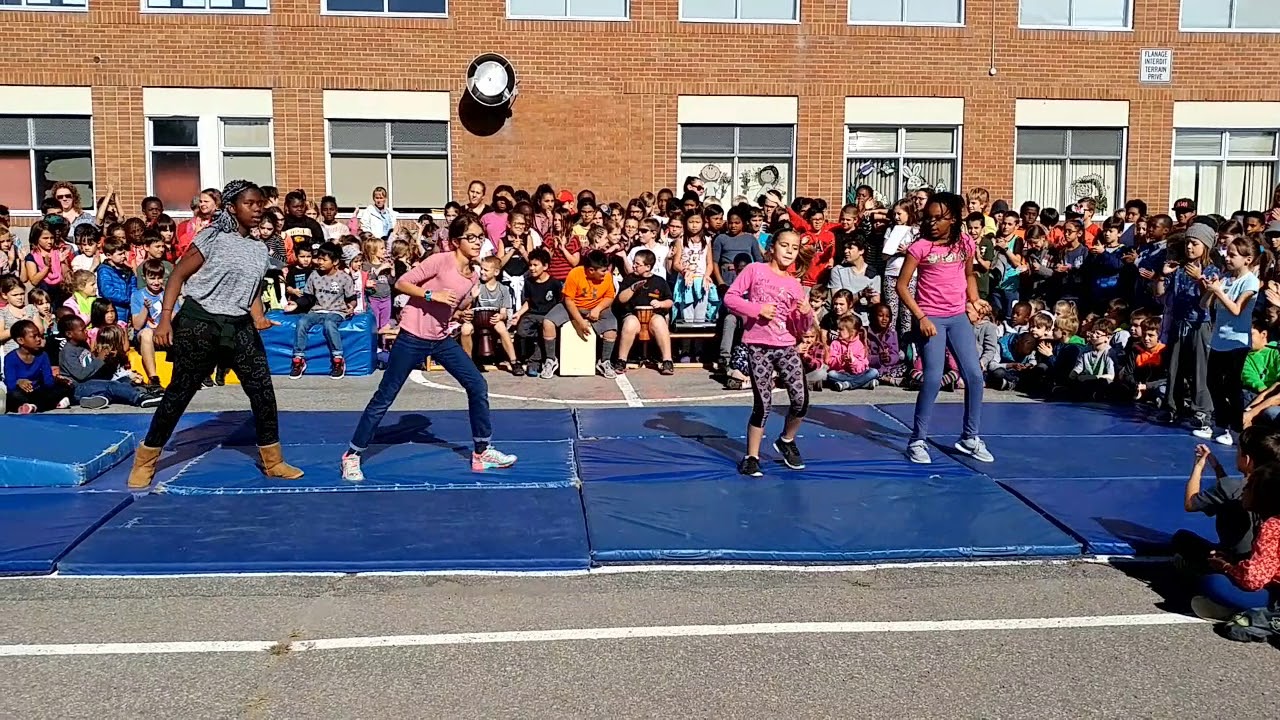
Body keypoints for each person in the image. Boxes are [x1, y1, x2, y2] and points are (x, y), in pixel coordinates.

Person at [125, 180, 303, 490]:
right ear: (232, 208)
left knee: (263, 391)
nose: (257, 209)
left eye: (260, 204)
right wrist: (165, 320)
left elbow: (251, 289)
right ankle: (146, 459)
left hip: (239, 325)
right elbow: (177, 275)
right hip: (200, 323)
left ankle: (273, 461)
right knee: (179, 393)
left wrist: (258, 317)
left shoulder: (259, 248)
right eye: (249, 203)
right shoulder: (213, 237)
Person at [342, 214, 517, 481]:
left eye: (480, 237)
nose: (477, 242)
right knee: (385, 396)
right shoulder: (440, 260)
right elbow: (402, 283)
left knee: (477, 384)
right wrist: (430, 294)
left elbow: (450, 306)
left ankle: (482, 452)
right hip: (412, 336)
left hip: (441, 338)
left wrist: (459, 312)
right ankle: (352, 455)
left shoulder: (473, 276)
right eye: (471, 237)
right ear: (456, 241)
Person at [896, 191, 993, 465]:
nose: (933, 223)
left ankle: (970, 437)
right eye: (929, 218)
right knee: (933, 377)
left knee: (974, 376)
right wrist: (921, 317)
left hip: (958, 317)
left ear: (953, 219)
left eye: (939, 218)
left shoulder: (964, 243)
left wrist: (974, 300)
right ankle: (917, 440)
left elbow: (969, 274)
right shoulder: (920, 247)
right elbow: (901, 286)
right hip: (932, 319)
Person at [722, 229, 814, 477]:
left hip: (786, 346)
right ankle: (751, 456)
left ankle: (786, 440)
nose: (789, 251)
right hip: (759, 345)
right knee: (763, 404)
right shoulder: (755, 270)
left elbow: (801, 327)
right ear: (772, 247)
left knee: (801, 400)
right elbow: (730, 298)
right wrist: (757, 309)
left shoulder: (794, 284)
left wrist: (806, 313)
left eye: (794, 248)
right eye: (785, 245)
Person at [1200, 235, 1261, 445]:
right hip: (1219, 340)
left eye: (1233, 255)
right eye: (1227, 254)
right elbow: (1204, 305)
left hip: (1237, 341)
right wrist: (1211, 290)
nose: (1227, 258)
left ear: (1247, 259)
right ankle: (1220, 423)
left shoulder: (1250, 281)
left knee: (1232, 386)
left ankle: (1235, 429)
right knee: (1213, 382)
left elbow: (1236, 309)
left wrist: (1219, 292)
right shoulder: (1225, 278)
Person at [540, 249, 618, 379]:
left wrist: (597, 309)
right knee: (548, 322)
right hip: (574, 306)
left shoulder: (608, 276)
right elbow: (569, 300)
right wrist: (580, 321)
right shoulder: (575, 274)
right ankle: (550, 360)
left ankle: (604, 361)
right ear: (591, 270)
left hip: (597, 306)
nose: (606, 273)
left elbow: (610, 297)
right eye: (603, 271)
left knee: (611, 328)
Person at [58, 315, 161, 409]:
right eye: (82, 330)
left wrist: (108, 358)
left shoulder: (82, 345)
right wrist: (100, 358)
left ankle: (96, 398)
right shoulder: (67, 352)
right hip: (78, 388)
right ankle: (140, 398)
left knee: (124, 381)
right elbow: (81, 375)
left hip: (91, 383)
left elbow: (92, 366)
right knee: (111, 385)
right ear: (69, 334)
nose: (86, 331)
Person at [290, 242, 357, 380]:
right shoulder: (314, 275)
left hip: (337, 311)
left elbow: (352, 298)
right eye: (319, 259)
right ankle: (298, 359)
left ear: (335, 261)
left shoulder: (345, 278)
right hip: (317, 310)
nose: (319, 262)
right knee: (302, 322)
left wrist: (351, 307)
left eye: (324, 259)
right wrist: (296, 304)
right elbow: (308, 297)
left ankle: (338, 359)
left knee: (329, 323)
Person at [614, 248, 675, 375]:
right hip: (633, 315)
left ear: (648, 267)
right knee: (630, 323)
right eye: (634, 263)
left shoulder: (659, 281)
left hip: (653, 315)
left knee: (659, 322)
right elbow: (621, 299)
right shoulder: (629, 279)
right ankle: (621, 360)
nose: (634, 266)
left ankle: (667, 360)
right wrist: (632, 288)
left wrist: (661, 304)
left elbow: (670, 301)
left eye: (637, 264)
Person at [3, 319, 72, 413]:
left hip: (38, 391)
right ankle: (51, 404)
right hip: (22, 393)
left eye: (39, 336)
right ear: (20, 340)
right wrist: (19, 382)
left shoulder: (42, 355)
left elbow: (48, 383)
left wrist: (56, 379)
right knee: (13, 396)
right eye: (34, 336)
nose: (39, 339)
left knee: (66, 387)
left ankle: (33, 407)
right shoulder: (10, 358)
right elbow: (10, 385)